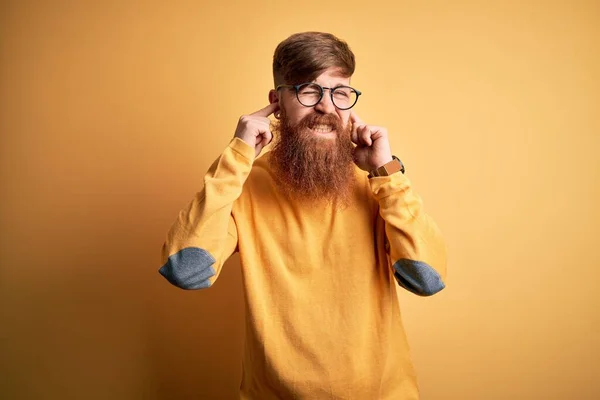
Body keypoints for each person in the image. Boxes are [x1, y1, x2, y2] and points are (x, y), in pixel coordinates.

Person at [159, 31, 447, 399]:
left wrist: (387, 172)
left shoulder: (378, 182)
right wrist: (236, 156)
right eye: (308, 90)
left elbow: (428, 278)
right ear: (276, 101)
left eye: (340, 92)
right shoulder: (244, 184)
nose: (326, 107)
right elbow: (186, 270)